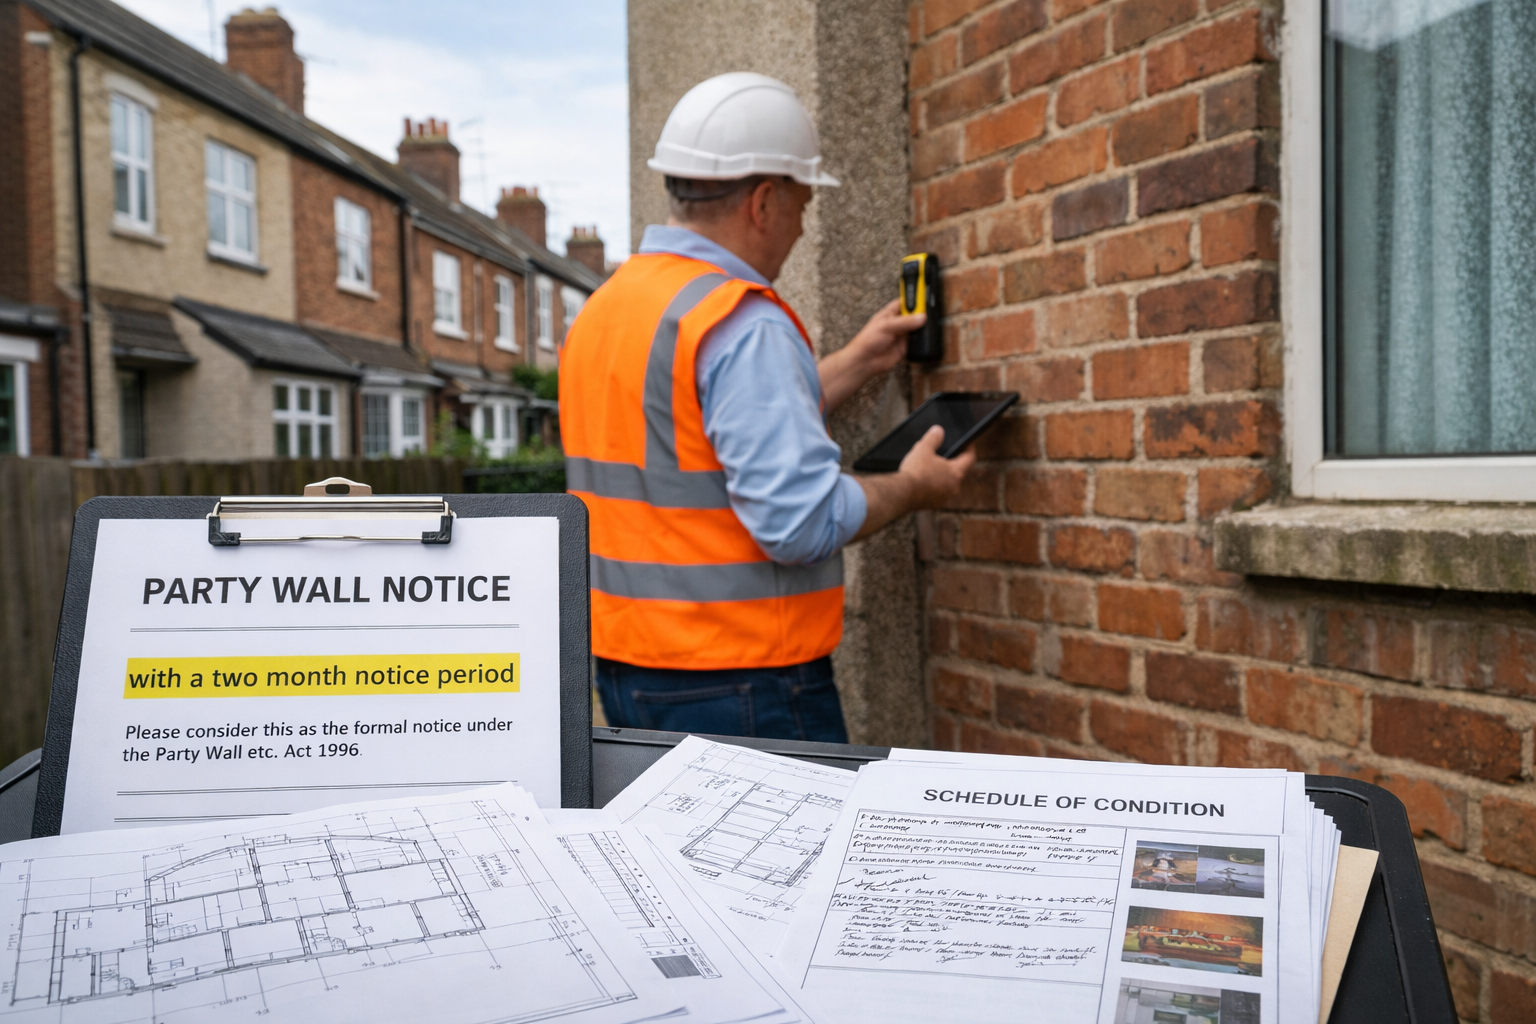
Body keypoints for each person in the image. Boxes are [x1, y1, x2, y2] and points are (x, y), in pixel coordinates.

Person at [561, 72, 975, 742]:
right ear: (762, 202)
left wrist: (860, 360)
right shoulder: (743, 323)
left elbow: (695, 431)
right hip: (742, 679)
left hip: (626, 672)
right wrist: (913, 487)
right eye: (802, 206)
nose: (801, 227)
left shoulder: (608, 311)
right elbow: (802, 521)